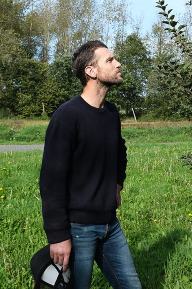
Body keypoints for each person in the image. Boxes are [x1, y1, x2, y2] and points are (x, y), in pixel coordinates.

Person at [39, 40, 142, 289]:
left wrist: (118, 183)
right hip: (78, 229)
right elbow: (51, 181)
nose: (118, 64)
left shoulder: (111, 113)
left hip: (110, 226)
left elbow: (120, 151)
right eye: (110, 60)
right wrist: (58, 236)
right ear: (91, 71)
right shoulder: (67, 116)